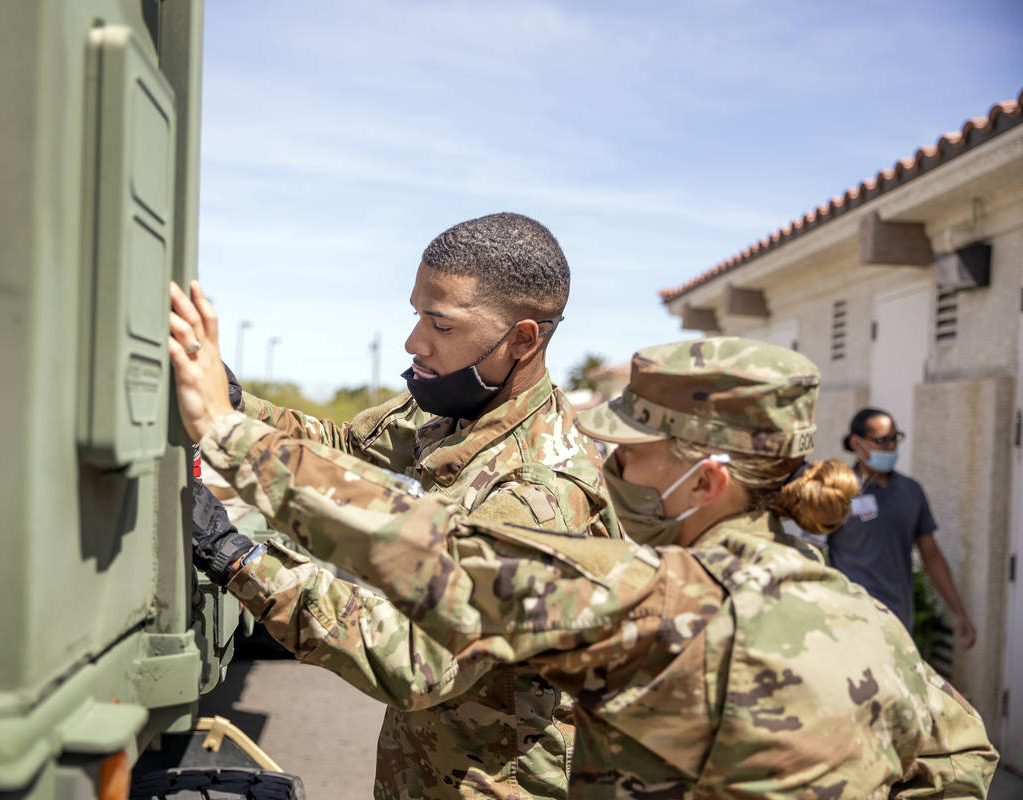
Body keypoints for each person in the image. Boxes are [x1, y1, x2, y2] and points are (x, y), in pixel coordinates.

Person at [170, 322, 997, 799]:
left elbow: (434, 560)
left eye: (632, 457)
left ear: (706, 479)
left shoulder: (656, 604)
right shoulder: (865, 618)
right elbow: (965, 758)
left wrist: (230, 443)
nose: (610, 472)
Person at [176, 212, 618, 800]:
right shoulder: (455, 412)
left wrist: (236, 557)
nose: (415, 341)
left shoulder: (538, 496)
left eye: (440, 322)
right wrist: (233, 403)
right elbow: (345, 445)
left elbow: (415, 657)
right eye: (416, 315)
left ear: (521, 339)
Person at [829, 408, 977, 649]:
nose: (891, 447)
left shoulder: (911, 491)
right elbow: (812, 550)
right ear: (857, 443)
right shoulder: (837, 491)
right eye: (881, 440)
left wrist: (959, 612)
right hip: (851, 619)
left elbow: (931, 556)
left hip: (899, 622)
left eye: (894, 438)